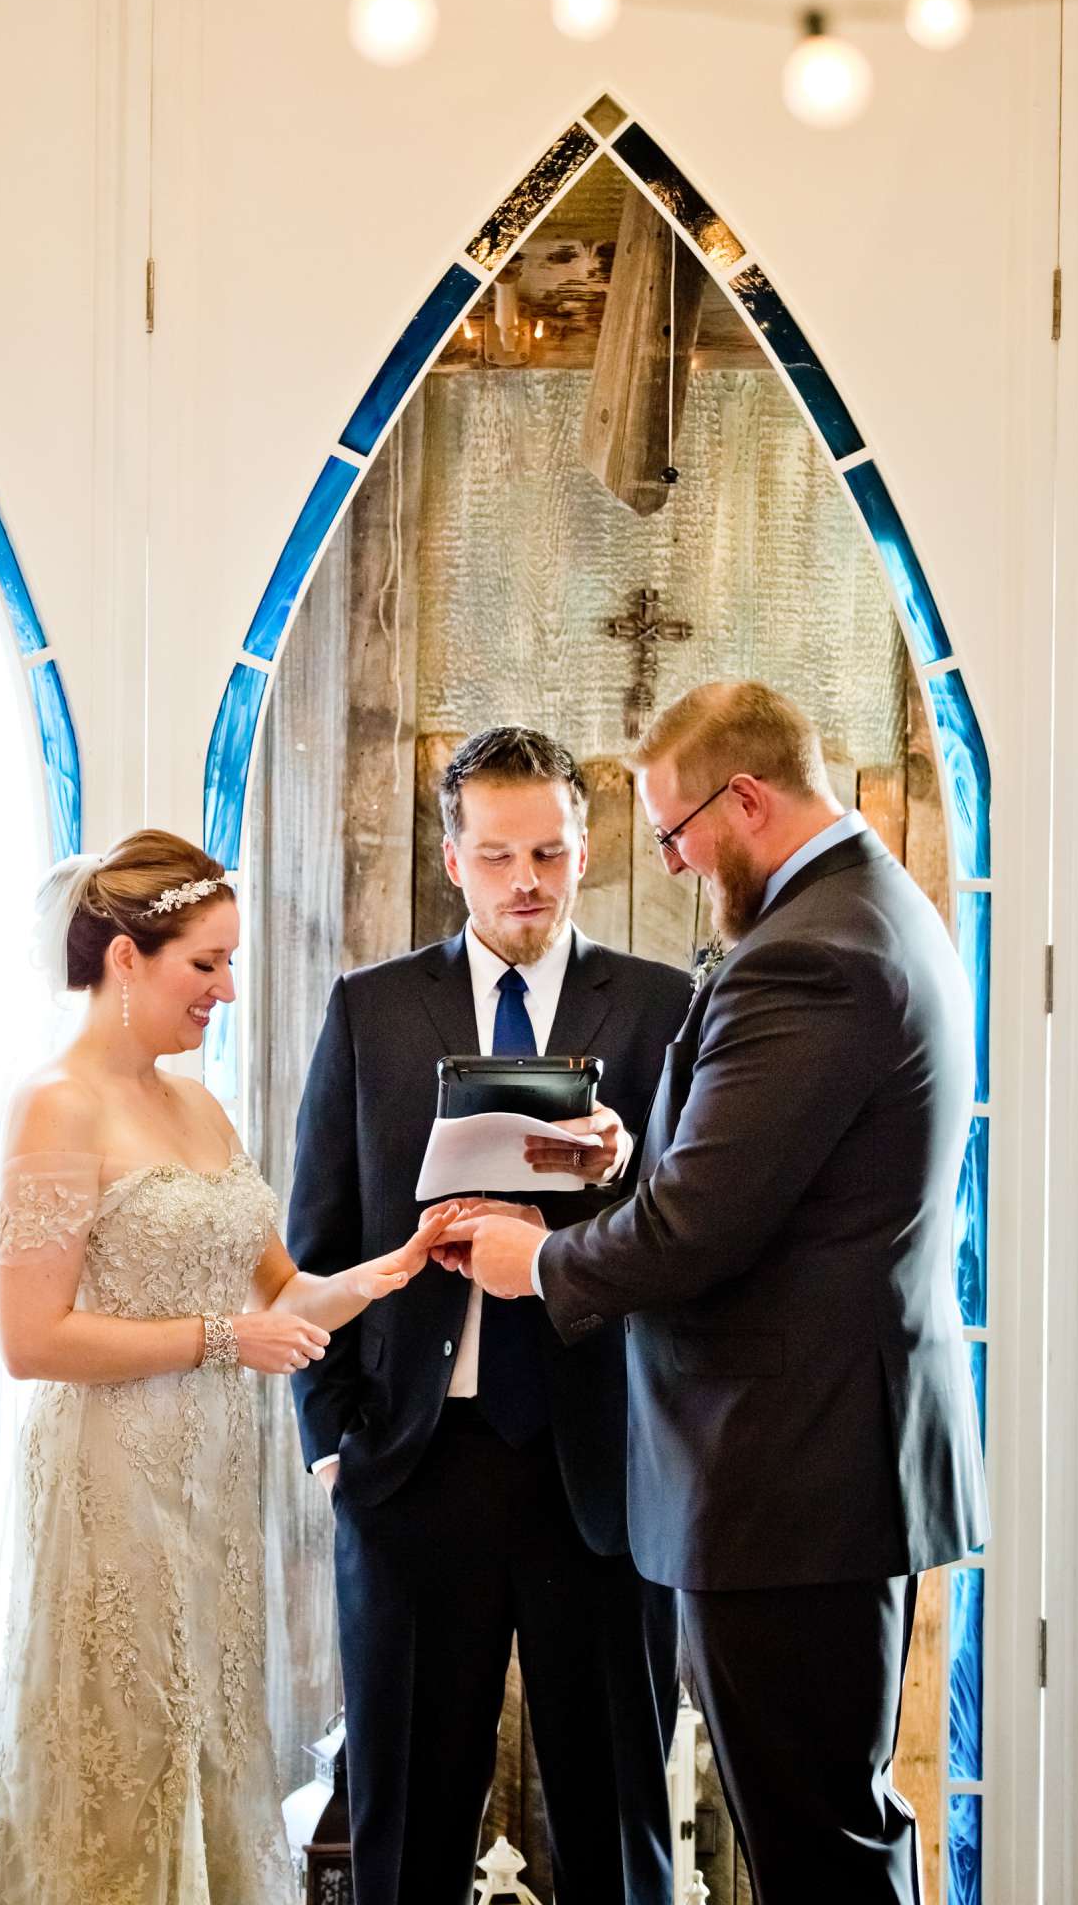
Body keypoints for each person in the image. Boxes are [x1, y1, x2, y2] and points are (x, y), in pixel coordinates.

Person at [456, 680, 989, 1905]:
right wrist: (629, 1156)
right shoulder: (867, 912)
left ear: (742, 798)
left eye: (673, 832)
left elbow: (698, 1231)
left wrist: (532, 1260)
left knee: (816, 1849)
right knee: (835, 1823)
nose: (678, 862)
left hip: (786, 1471)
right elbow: (770, 1179)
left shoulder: (810, 953)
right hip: (824, 1458)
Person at [0, 831, 455, 1905]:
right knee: (120, 1742)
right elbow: (33, 1340)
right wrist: (220, 1341)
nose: (226, 989)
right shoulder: (55, 1106)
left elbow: (283, 1298)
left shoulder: (198, 1108)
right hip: (112, 1480)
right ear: (124, 958)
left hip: (212, 1493)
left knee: (203, 1733)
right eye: (204, 964)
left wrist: (395, 1267)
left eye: (230, 962)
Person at [287, 727, 691, 1905]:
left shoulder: (664, 1006)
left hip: (602, 1469)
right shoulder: (371, 1010)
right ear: (452, 859)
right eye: (502, 854)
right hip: (414, 1463)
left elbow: (693, 1231)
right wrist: (331, 1440)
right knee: (405, 1829)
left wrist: (620, 1167)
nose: (529, 881)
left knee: (619, 1828)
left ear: (586, 851)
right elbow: (320, 1234)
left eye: (552, 854)